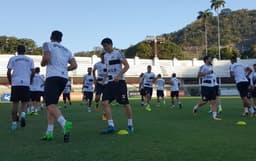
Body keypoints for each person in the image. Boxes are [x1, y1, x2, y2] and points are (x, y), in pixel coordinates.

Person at [41, 30, 77, 142]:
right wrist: (64, 69)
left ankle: (64, 123)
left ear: (51, 37)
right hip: (63, 78)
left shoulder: (47, 44)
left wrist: (42, 63)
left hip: (52, 77)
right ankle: (49, 132)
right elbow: (74, 65)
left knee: (50, 105)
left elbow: (46, 59)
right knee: (52, 106)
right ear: (61, 39)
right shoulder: (67, 50)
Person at [100, 38, 134, 134]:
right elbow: (108, 70)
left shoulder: (118, 53)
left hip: (120, 83)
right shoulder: (105, 56)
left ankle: (130, 125)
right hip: (109, 83)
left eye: (106, 46)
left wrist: (119, 76)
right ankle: (111, 126)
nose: (105, 48)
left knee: (125, 103)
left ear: (111, 44)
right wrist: (104, 80)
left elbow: (127, 66)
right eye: (103, 47)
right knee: (104, 103)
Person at [7, 45, 35, 130]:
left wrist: (10, 81)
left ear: (17, 51)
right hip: (25, 83)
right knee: (24, 103)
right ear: (25, 51)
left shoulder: (13, 58)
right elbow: (33, 72)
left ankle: (14, 124)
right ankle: (23, 115)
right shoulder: (30, 59)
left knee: (15, 104)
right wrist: (30, 80)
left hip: (16, 83)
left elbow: (8, 72)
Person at [193, 56, 221, 120]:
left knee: (214, 101)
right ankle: (196, 107)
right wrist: (207, 73)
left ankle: (214, 116)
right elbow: (198, 76)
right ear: (206, 60)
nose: (211, 60)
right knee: (204, 101)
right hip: (205, 86)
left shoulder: (211, 66)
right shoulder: (203, 67)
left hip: (212, 86)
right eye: (210, 59)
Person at [93, 53, 107, 120]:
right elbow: (93, 71)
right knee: (97, 97)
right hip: (99, 82)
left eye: (104, 57)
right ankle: (96, 103)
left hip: (106, 83)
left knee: (105, 99)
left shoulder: (108, 64)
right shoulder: (97, 64)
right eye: (102, 57)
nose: (103, 58)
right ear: (100, 57)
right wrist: (95, 79)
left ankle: (104, 114)